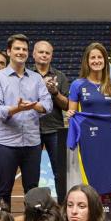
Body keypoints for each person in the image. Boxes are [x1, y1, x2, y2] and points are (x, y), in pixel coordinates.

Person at [0, 34, 52, 212]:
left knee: (32, 189)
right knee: (2, 189)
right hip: (6, 144)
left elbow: (48, 105)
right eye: (17, 48)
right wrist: (17, 109)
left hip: (32, 143)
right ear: (9, 51)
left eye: (24, 49)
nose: (21, 52)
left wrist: (35, 106)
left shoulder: (36, 78)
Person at [32, 40, 70, 189]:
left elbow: (67, 105)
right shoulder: (27, 76)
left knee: (60, 173)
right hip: (32, 130)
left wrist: (55, 93)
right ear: (34, 54)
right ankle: (33, 208)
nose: (44, 55)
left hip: (55, 130)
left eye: (47, 53)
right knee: (31, 173)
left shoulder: (60, 77)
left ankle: (62, 207)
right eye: (41, 52)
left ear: (51, 56)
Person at [67, 42, 111, 115]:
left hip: (108, 126)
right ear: (87, 61)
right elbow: (73, 118)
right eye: (93, 58)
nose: (96, 61)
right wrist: (70, 115)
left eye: (100, 57)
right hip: (86, 126)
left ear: (105, 60)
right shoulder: (76, 85)